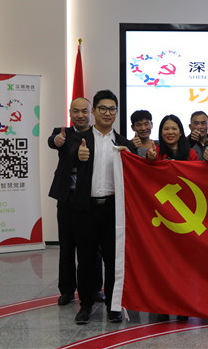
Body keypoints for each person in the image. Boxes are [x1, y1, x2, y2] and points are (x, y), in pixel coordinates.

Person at [72, 90, 135, 325]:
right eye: (103, 109)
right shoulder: (79, 139)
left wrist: (132, 158)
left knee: (113, 259)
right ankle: (86, 305)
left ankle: (113, 306)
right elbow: (65, 161)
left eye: (112, 109)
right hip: (86, 208)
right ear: (94, 111)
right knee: (86, 259)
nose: (107, 113)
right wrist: (77, 155)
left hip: (113, 209)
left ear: (116, 112)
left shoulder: (124, 143)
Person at [48, 97, 104, 306]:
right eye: (76, 111)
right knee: (66, 245)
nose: (80, 115)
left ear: (91, 112)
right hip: (66, 198)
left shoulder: (97, 135)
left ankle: (94, 288)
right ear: (70, 113)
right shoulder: (62, 133)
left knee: (93, 247)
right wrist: (56, 141)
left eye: (84, 111)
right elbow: (53, 140)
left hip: (89, 198)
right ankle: (67, 290)